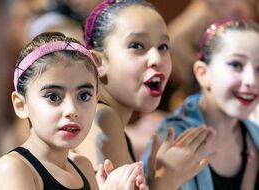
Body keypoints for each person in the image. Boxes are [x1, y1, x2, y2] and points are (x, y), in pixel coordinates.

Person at [75, 0, 216, 189]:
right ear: (98, 62)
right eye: (136, 45)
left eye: (163, 47)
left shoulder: (101, 118)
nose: (157, 58)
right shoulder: (102, 119)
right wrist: (166, 178)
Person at [0, 32, 149, 190]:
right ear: (21, 105)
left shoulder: (83, 167)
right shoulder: (14, 169)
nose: (72, 110)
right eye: (53, 97)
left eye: (84, 96)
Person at [143, 19, 259, 190]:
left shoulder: (253, 136)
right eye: (236, 65)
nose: (251, 80)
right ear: (203, 73)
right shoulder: (172, 138)